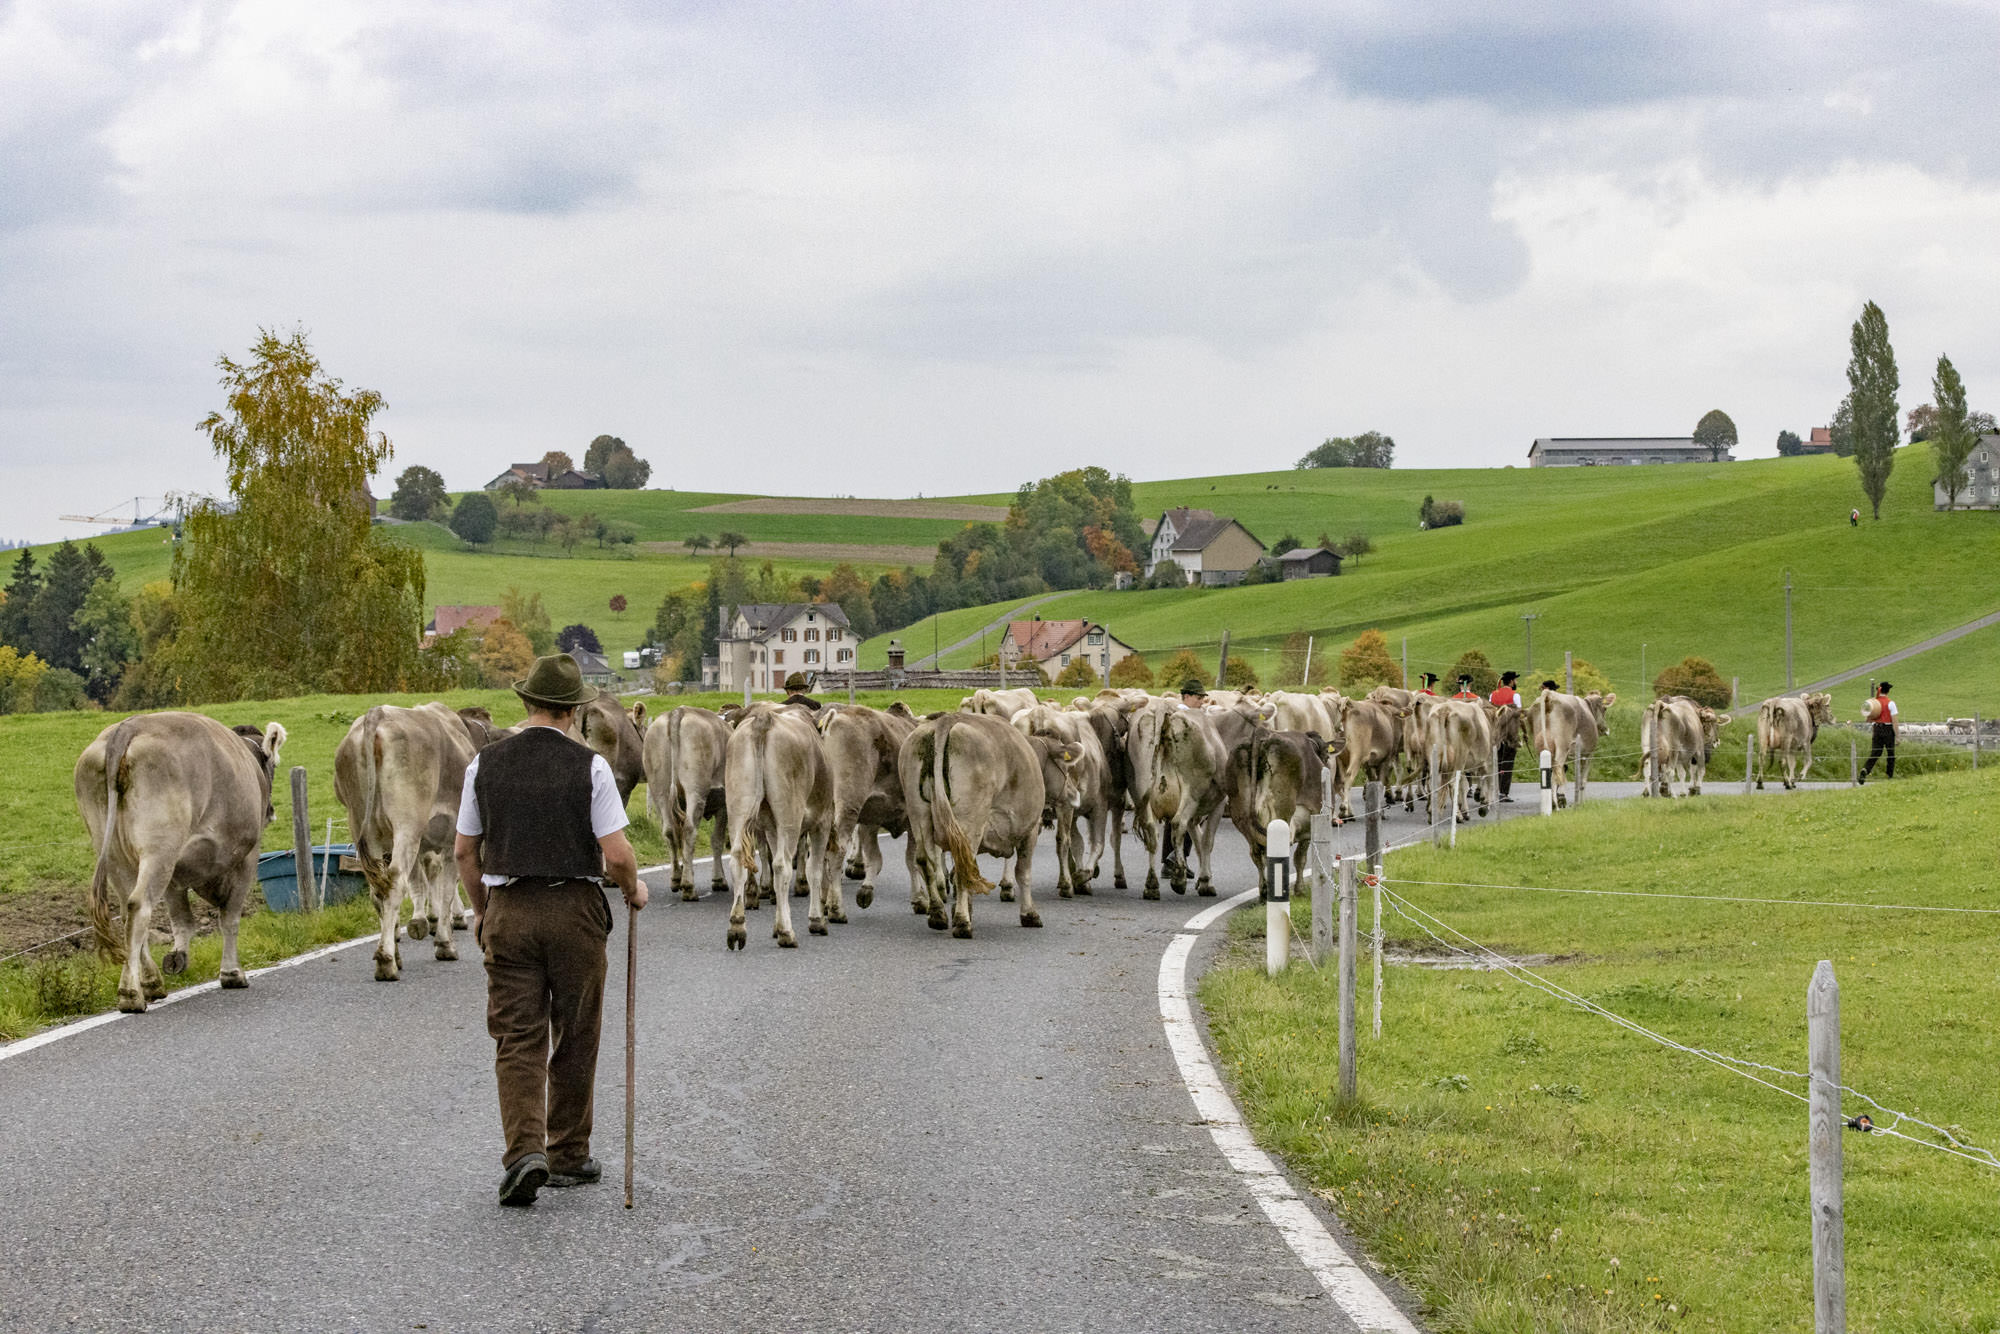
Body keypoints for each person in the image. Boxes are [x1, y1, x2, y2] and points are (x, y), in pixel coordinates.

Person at [455, 654, 649, 1207]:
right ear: (574, 711)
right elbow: (617, 855)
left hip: (509, 908)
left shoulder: (484, 764)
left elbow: (465, 852)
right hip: (574, 911)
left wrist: (482, 910)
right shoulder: (591, 767)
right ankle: (567, 1153)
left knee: (517, 1037)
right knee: (576, 1031)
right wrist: (633, 888)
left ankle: (523, 1153)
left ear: (526, 702)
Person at [1490, 671, 1521, 801]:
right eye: (1515, 680)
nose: (1516, 682)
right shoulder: (1515, 696)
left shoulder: (1493, 695)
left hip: (1495, 734)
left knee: (1496, 763)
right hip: (1509, 735)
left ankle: (1493, 790)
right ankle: (1503, 792)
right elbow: (1518, 715)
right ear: (1512, 681)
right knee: (1507, 764)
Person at [1859, 681, 1898, 782]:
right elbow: (1894, 721)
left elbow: (1868, 719)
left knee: (1875, 752)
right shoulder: (1891, 703)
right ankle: (1889, 776)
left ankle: (1866, 769)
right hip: (1888, 729)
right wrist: (1898, 736)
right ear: (1888, 691)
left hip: (1876, 729)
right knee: (1891, 753)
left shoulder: (1874, 703)